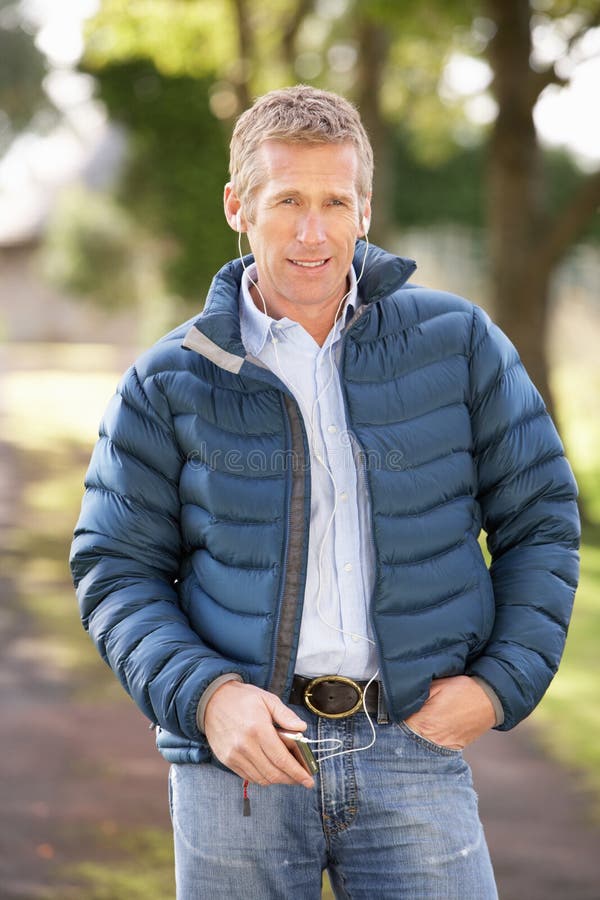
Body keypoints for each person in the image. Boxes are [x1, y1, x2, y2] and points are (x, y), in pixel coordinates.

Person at [70, 85, 580, 899]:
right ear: (239, 205)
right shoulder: (167, 380)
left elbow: (541, 521)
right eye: (287, 202)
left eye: (334, 201)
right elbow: (114, 570)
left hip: (412, 751)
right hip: (240, 768)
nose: (313, 232)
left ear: (365, 209)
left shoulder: (460, 343)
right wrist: (208, 700)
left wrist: (499, 682)